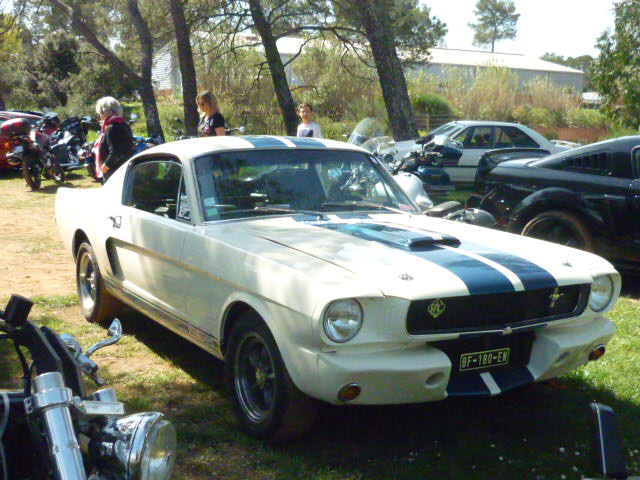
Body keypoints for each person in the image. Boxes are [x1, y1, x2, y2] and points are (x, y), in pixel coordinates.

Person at [94, 96, 134, 182]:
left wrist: (105, 166)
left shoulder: (111, 128)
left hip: (113, 170)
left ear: (104, 112)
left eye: (100, 113)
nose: (100, 116)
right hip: (124, 167)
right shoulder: (124, 124)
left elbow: (115, 152)